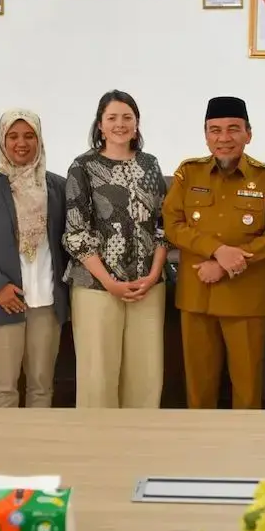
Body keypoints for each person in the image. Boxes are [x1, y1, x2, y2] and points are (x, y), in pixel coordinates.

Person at [162, 96, 265, 410]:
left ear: (249, 133)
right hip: (198, 295)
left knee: (247, 388)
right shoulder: (188, 173)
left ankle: (245, 451)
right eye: (215, 130)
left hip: (245, 296)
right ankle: (201, 450)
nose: (224, 138)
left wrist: (226, 264)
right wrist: (217, 250)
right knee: (198, 387)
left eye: (233, 129)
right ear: (206, 135)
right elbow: (172, 224)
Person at [63, 90, 168, 409]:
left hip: (147, 285)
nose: (120, 124)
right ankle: (98, 450)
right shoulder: (83, 166)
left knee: (146, 376)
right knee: (98, 377)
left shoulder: (151, 165)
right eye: (112, 118)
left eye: (127, 117)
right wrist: (109, 282)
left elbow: (164, 227)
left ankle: (140, 449)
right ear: (100, 125)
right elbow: (75, 232)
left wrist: (152, 275)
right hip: (97, 286)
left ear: (137, 124)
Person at [0, 109, 68, 408]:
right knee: (4, 390)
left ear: (40, 139)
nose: (21, 143)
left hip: (46, 302)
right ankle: (7, 453)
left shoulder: (57, 186)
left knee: (42, 388)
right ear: (1, 140)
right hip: (1, 301)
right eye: (13, 136)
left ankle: (38, 450)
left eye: (29, 135)